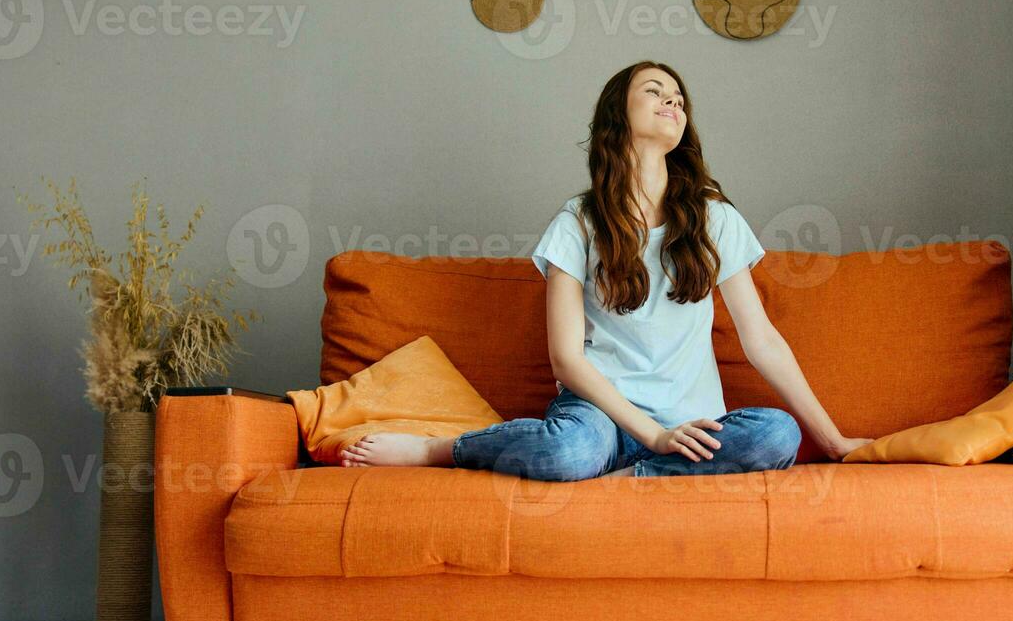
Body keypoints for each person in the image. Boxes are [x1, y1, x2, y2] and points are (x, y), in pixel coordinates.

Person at [341, 60, 873, 478]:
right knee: (567, 452)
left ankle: (631, 478)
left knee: (775, 435)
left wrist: (832, 440)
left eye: (678, 98)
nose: (672, 100)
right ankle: (439, 450)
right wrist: (652, 436)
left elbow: (763, 342)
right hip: (600, 416)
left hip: (688, 425)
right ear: (618, 116)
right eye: (654, 90)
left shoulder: (716, 218)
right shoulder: (578, 222)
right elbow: (566, 360)